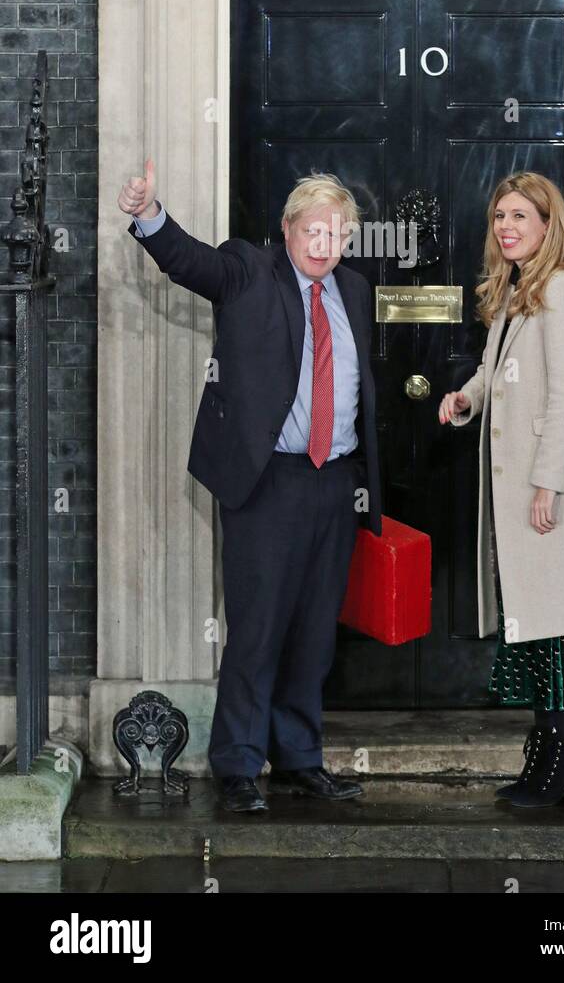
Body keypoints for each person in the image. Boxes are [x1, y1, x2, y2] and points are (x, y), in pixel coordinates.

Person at [118, 159, 382, 812]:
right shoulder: (248, 272)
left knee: (315, 632)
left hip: (333, 483)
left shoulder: (353, 290)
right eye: (312, 231)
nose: (323, 245)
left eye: (336, 234)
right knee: (258, 628)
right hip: (269, 482)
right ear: (288, 230)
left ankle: (298, 759)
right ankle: (237, 765)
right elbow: (189, 262)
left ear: (348, 239)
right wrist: (149, 215)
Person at [438, 172, 564, 809]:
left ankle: (563, 765)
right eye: (500, 217)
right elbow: (498, 373)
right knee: (544, 633)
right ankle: (556, 763)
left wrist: (548, 483)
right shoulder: (520, 290)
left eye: (521, 216)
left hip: (556, 495)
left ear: (549, 225)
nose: (508, 227)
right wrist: (467, 397)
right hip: (529, 492)